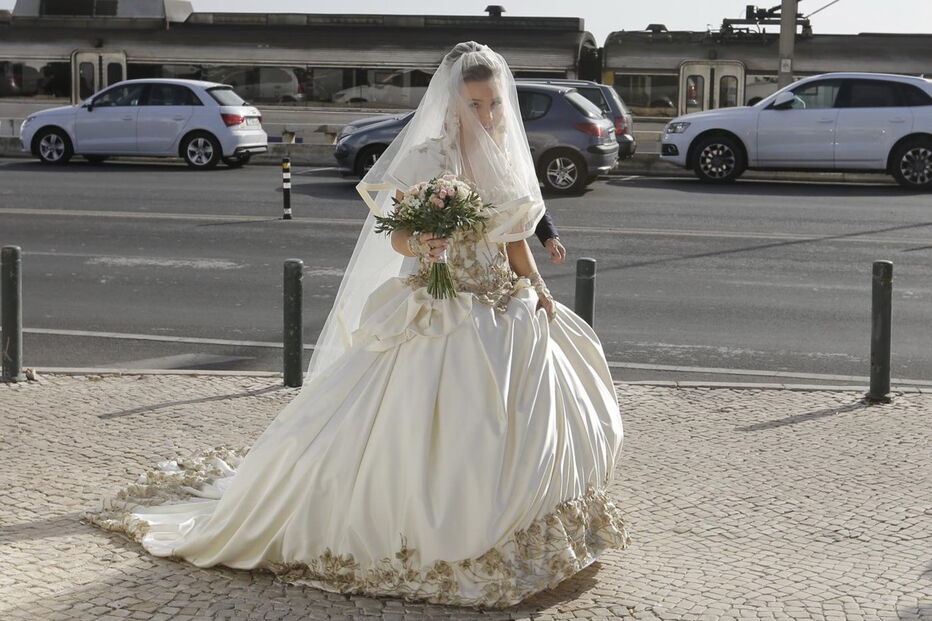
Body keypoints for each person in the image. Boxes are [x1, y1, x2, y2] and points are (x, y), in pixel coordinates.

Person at [84, 41, 629, 609]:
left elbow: (515, 234)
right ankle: (431, 532)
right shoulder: (427, 160)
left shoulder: (506, 153)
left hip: (502, 301)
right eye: (474, 104)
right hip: (436, 306)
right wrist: (423, 241)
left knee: (544, 405)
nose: (486, 115)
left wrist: (537, 288)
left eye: (493, 103)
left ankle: (528, 529)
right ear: (451, 102)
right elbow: (393, 234)